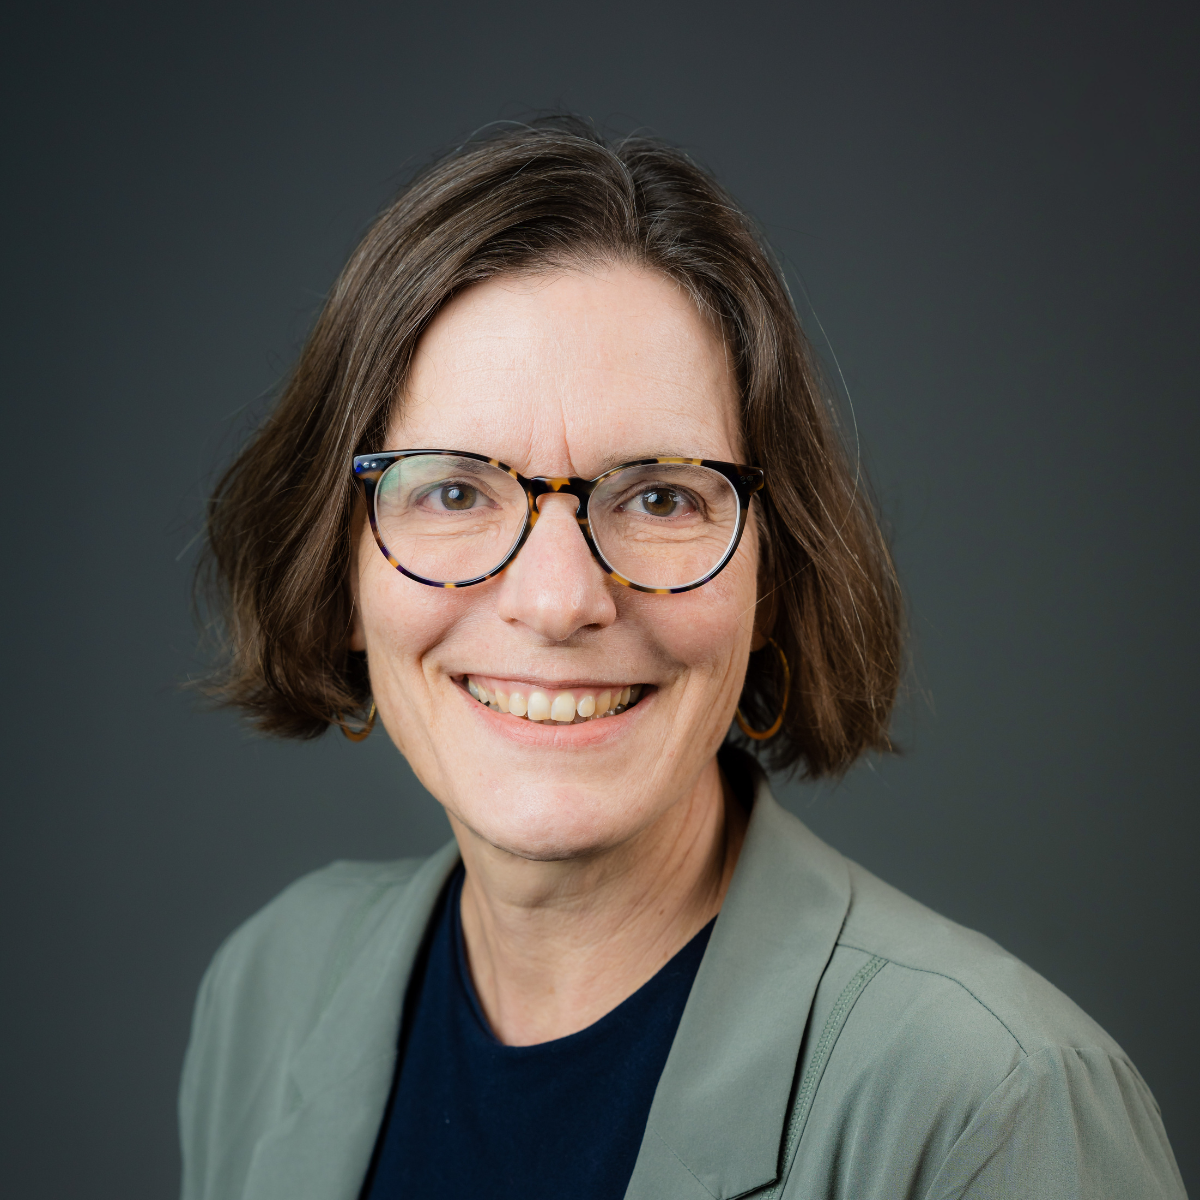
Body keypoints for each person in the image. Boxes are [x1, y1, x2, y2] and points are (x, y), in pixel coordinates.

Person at [180, 118, 1184, 1200]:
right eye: (454, 490)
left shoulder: (991, 1107)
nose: (561, 601)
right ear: (338, 573)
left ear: (773, 580)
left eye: (661, 497)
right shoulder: (269, 990)